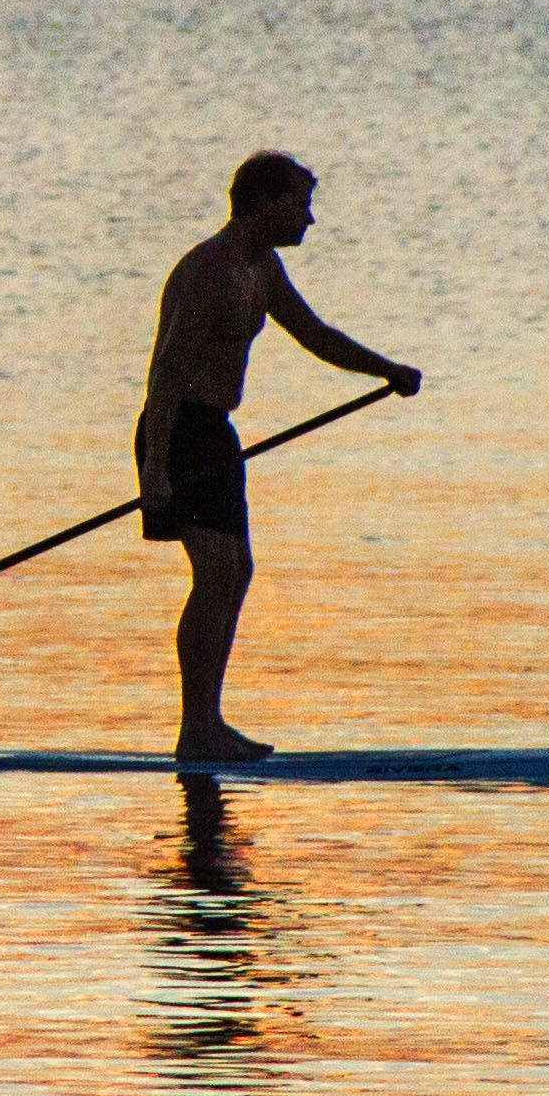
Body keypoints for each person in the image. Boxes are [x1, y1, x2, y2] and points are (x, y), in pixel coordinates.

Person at [138, 152, 422, 763]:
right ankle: (198, 729)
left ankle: (207, 722)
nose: (310, 220)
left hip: (215, 429)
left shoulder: (261, 268)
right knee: (217, 569)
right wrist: (155, 470)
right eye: (300, 205)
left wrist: (386, 370)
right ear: (263, 205)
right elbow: (162, 374)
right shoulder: (207, 270)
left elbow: (315, 335)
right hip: (177, 430)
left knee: (236, 571)